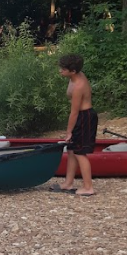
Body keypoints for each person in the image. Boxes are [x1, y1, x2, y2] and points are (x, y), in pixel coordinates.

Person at [50, 54, 98, 196]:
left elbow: (74, 113)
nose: (60, 71)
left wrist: (69, 131)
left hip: (85, 117)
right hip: (81, 116)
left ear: (73, 71)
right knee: (71, 150)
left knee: (79, 152)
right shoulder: (75, 75)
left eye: (63, 69)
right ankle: (68, 183)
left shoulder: (79, 85)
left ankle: (88, 187)